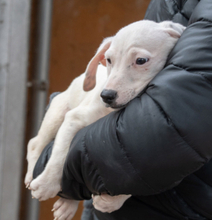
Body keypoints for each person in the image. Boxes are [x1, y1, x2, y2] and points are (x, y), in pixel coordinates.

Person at [34, 0, 212, 219]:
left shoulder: (186, 37)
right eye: (108, 61)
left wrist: (67, 183)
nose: (110, 85)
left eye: (140, 61)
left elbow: (146, 143)